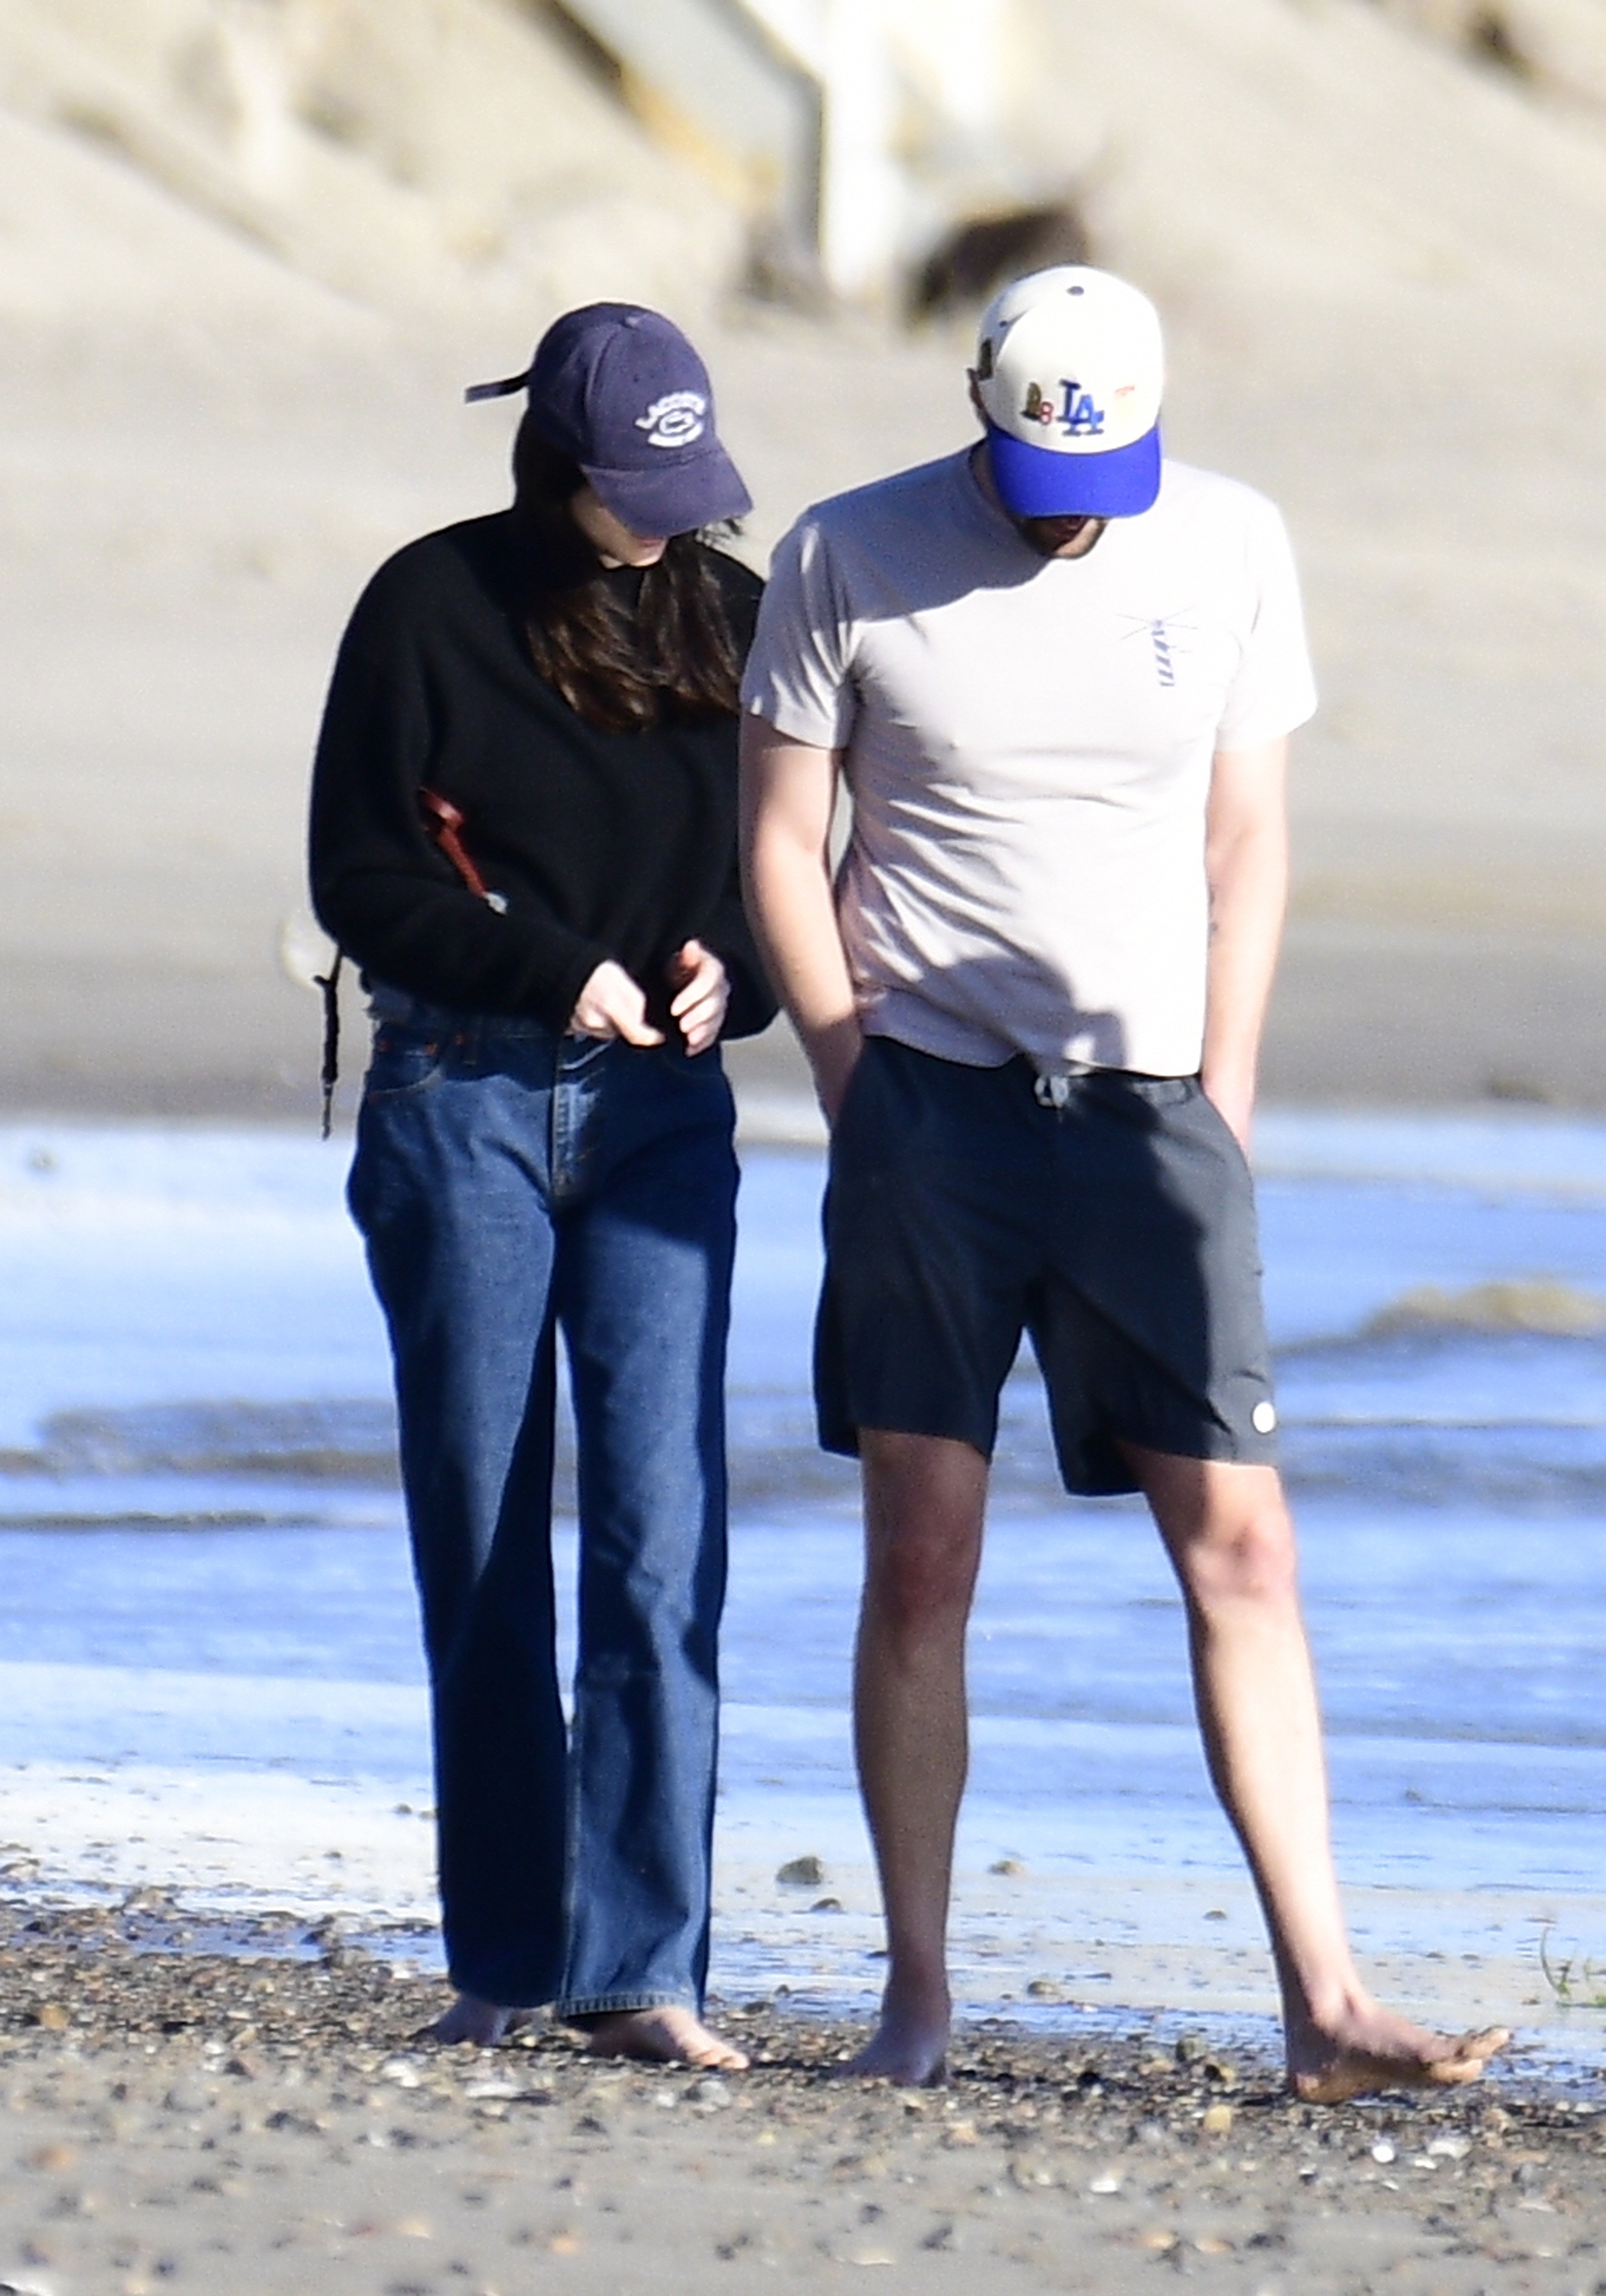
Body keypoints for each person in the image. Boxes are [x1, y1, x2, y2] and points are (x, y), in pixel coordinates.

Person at [739, 265, 1509, 2101]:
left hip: (1154, 1114)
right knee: (925, 1558)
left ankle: (1327, 2000)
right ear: (984, 413)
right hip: (929, 1107)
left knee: (1244, 1542)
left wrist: (1224, 1086)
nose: (1078, 508)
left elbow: (1249, 833)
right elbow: (781, 842)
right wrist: (855, 1077)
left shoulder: (1231, 542)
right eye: (1044, 469)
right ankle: (917, 2005)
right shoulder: (849, 554)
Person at [309, 302, 774, 2066]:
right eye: (637, 487)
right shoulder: (427, 606)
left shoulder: (734, 616)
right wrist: (539, 971)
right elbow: (358, 872)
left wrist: (744, 964)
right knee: (487, 1538)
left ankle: (645, 1968)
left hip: (667, 1117)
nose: (669, 518)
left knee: (663, 1542)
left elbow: (793, 854)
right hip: (461, 1101)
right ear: (558, 467)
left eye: (688, 482)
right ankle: (506, 1956)